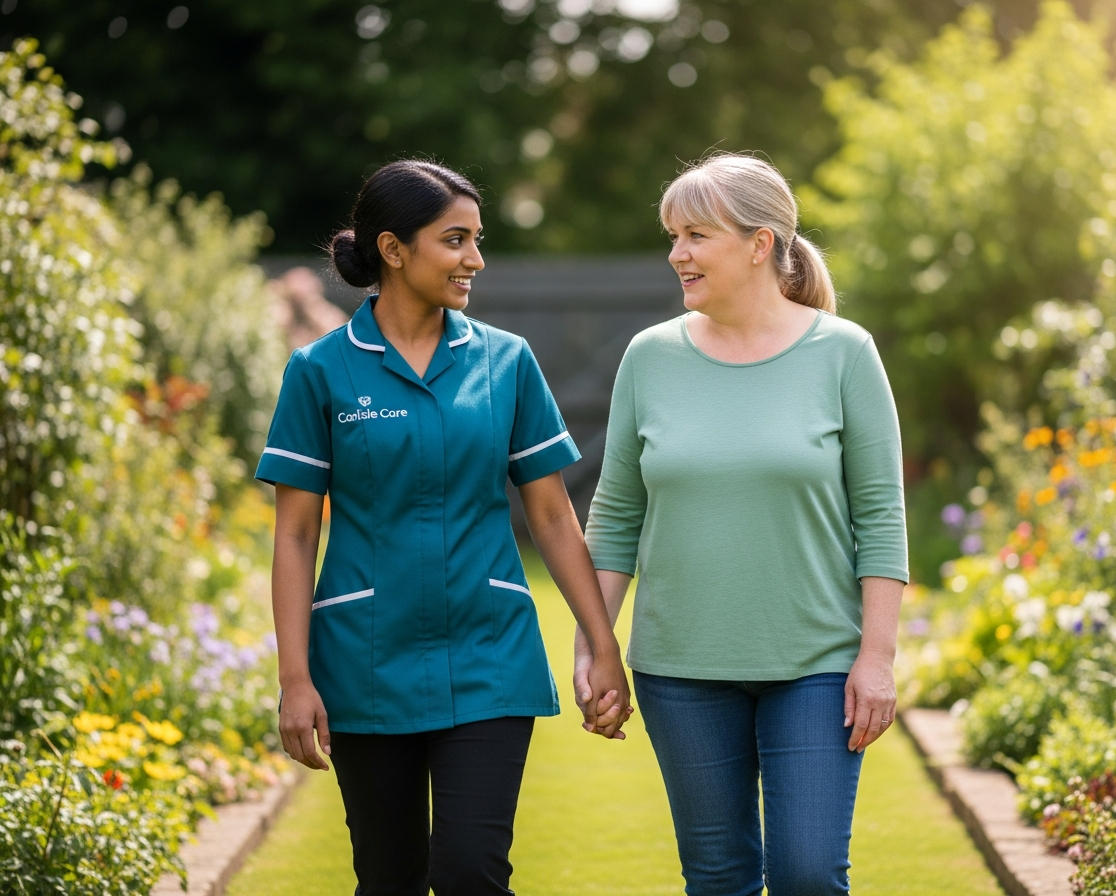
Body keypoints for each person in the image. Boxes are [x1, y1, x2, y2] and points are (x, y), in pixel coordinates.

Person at [258, 160, 631, 896]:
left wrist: (602, 642)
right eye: (455, 240)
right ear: (393, 249)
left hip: (490, 654)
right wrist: (295, 679)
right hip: (365, 662)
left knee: (472, 872)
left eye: (477, 240)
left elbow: (553, 514)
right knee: (389, 877)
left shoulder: (506, 361)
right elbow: (296, 535)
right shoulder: (321, 370)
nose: (475, 260)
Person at [576, 153, 909, 896]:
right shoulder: (649, 357)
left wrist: (877, 657)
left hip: (818, 667)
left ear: (761, 244)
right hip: (680, 669)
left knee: (807, 874)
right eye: (672, 235)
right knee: (718, 878)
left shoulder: (843, 352)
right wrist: (595, 645)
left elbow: (881, 514)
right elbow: (616, 515)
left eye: (696, 234)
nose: (677, 254)